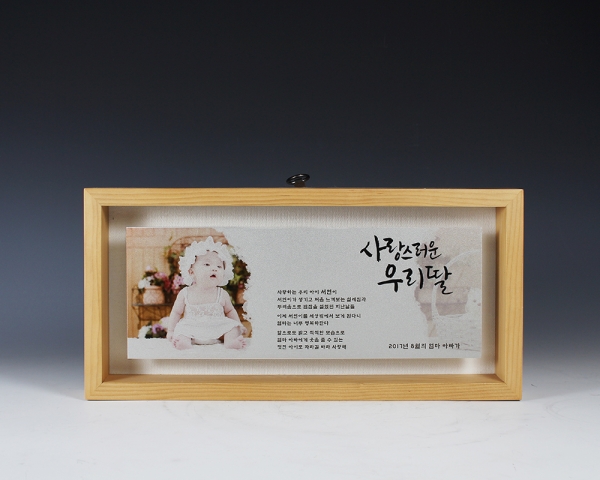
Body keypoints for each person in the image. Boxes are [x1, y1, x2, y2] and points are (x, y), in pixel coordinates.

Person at [166, 237, 247, 350]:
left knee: (233, 327)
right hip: (192, 330)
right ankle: (183, 343)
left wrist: (239, 325)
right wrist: (171, 331)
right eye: (207, 264)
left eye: (219, 266)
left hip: (217, 330)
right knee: (181, 329)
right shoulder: (185, 293)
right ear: (191, 272)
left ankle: (230, 342)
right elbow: (176, 312)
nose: (214, 269)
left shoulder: (222, 294)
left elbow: (230, 311)